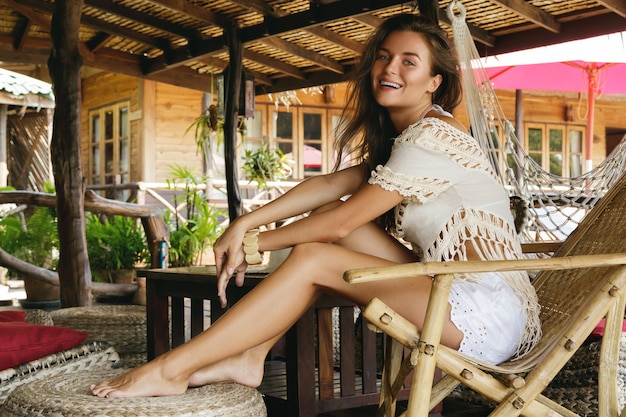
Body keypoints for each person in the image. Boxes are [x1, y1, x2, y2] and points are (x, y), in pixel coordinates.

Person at [91, 13, 540, 399]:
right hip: (446, 285)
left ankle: (172, 369)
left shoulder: (434, 138)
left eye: (409, 61)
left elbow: (346, 219)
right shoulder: (411, 137)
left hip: (481, 311)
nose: (390, 68)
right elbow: (330, 187)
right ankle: (251, 355)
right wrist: (246, 221)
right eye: (384, 56)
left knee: (315, 252)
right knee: (322, 227)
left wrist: (256, 243)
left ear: (434, 82)